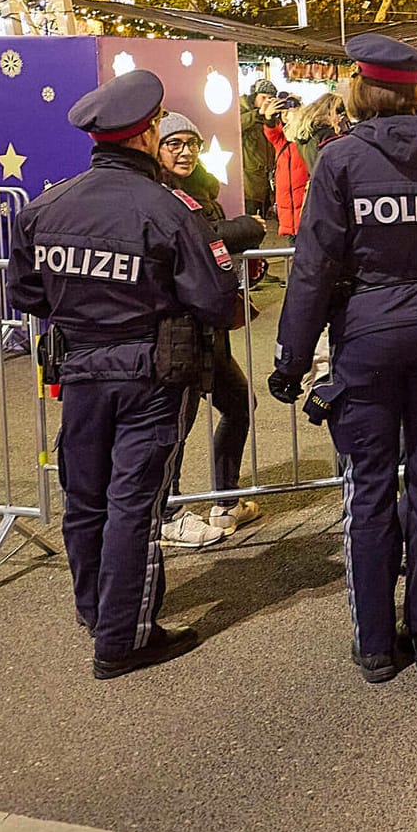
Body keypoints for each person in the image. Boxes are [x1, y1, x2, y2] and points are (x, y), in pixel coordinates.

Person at [269, 34, 417, 683]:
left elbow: (313, 269)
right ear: (414, 91)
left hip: (367, 339)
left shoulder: (340, 162)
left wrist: (291, 361)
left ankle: (375, 646)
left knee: (368, 488)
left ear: (362, 90)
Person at [6, 70, 241, 678]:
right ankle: (122, 639)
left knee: (85, 498)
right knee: (134, 500)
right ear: (145, 134)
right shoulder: (168, 210)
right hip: (150, 373)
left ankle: (97, 611)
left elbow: (26, 291)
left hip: (81, 369)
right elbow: (214, 300)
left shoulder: (47, 206)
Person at [154, 111, 267, 545]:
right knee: (175, 423)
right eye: (174, 144)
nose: (185, 151)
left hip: (210, 325)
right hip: (178, 328)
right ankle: (168, 512)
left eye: (191, 143)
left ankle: (225, 500)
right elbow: (196, 240)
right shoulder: (157, 193)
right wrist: (242, 231)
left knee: (239, 404)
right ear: (157, 149)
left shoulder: (202, 188)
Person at [260, 94, 309, 242]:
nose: (287, 114)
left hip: (306, 213)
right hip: (288, 217)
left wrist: (300, 114)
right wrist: (268, 117)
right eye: (283, 112)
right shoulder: (281, 140)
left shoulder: (306, 139)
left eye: (291, 109)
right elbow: (271, 131)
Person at [240, 79, 277, 219]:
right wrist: (258, 114)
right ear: (254, 96)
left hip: (265, 176)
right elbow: (235, 126)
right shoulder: (241, 109)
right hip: (249, 178)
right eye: (263, 97)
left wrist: (270, 117)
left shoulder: (270, 115)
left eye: (270, 98)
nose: (266, 101)